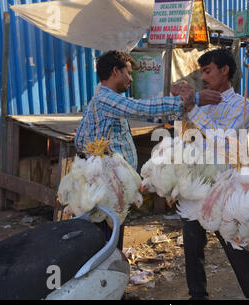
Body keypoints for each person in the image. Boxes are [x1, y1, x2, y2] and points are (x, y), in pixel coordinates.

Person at [74, 50, 221, 249]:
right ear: (116, 71)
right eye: (128, 73)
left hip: (112, 186)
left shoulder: (102, 99)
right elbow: (140, 108)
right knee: (106, 239)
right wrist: (188, 100)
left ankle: (109, 270)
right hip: (107, 187)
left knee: (110, 234)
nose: (131, 79)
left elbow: (80, 138)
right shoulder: (104, 100)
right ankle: (106, 273)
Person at [178, 48, 249, 300]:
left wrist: (193, 109)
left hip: (225, 188)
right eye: (201, 72)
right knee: (192, 248)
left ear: (224, 70)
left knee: (235, 245)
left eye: (207, 71)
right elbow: (186, 134)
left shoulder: (241, 105)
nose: (203, 77)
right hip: (196, 186)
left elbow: (223, 140)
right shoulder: (201, 103)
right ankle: (198, 299)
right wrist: (181, 103)